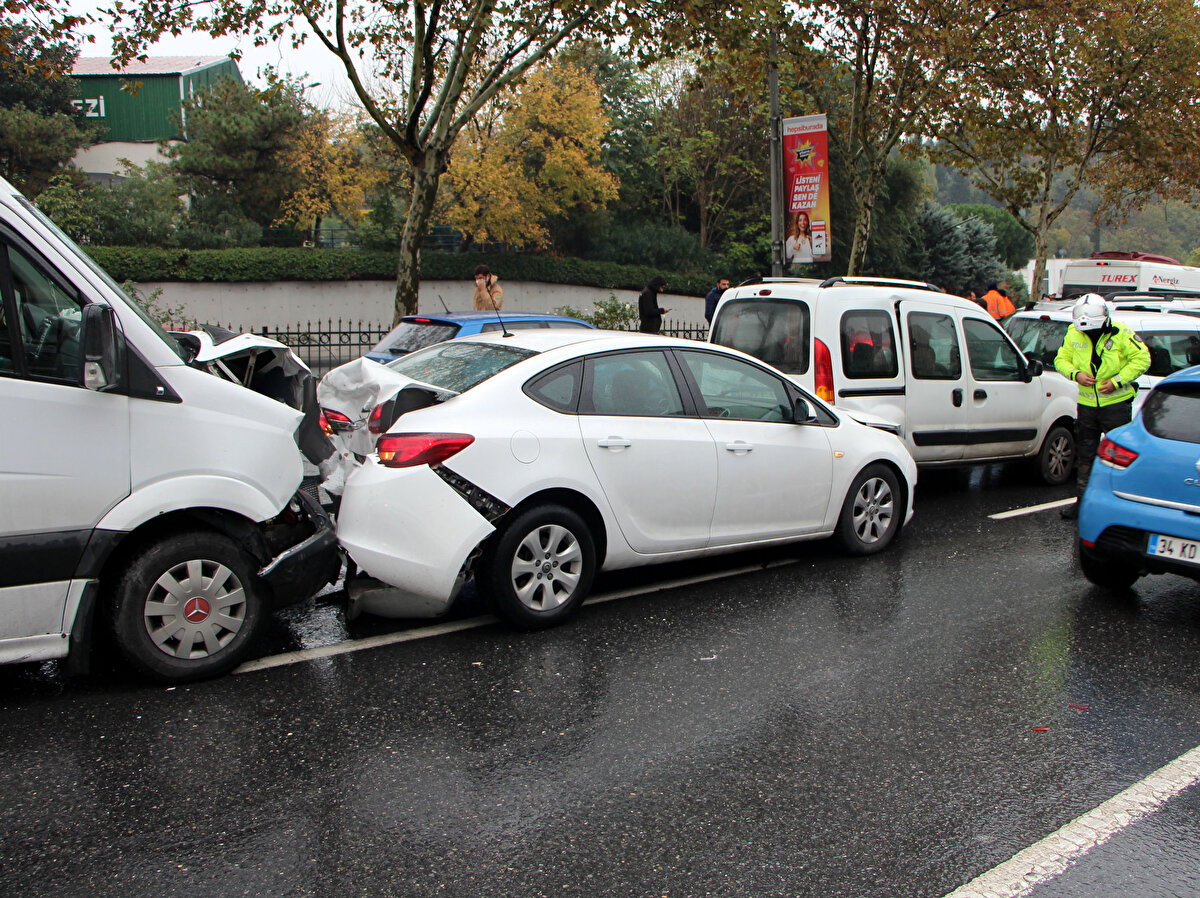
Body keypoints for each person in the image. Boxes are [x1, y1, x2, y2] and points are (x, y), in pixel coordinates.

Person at [1054, 293, 1150, 519]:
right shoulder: (1073, 332)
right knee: (1085, 455)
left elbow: (1142, 358)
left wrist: (1117, 382)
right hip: (1087, 405)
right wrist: (1075, 374)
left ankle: (1123, 503)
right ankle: (1082, 502)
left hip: (1116, 405)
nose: (1087, 334)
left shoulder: (1121, 333)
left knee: (1120, 456)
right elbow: (1061, 360)